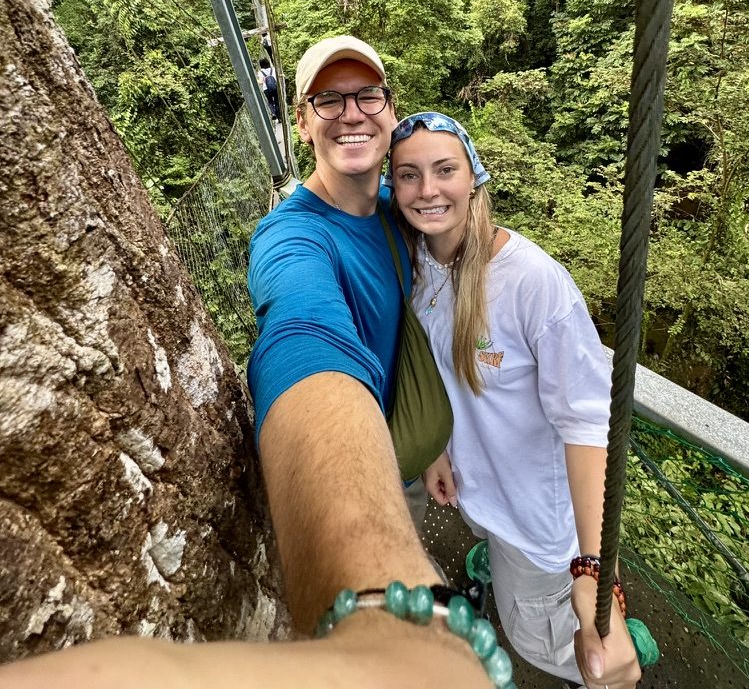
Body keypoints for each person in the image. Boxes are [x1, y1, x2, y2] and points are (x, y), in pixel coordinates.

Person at [0, 40, 490, 688]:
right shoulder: (292, 238)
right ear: (302, 121)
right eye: (328, 99)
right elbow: (303, 334)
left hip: (402, 450)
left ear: (389, 110)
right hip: (363, 470)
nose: (351, 112)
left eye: (367, 95)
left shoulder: (396, 209)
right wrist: (382, 607)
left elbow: (408, 323)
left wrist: (429, 443)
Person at [386, 111, 642, 689]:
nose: (427, 190)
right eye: (409, 175)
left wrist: (594, 569)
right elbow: (442, 377)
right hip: (480, 496)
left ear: (474, 178)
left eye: (444, 170)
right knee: (502, 571)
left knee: (541, 640)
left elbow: (587, 427)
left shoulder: (534, 284)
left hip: (538, 528)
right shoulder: (420, 263)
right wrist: (435, 452)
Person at [259, 55, 280, 121]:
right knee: (276, 101)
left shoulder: (260, 72)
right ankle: (279, 117)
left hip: (266, 89)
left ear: (261, 65)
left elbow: (260, 82)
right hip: (274, 87)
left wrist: (255, 80)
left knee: (270, 102)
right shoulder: (273, 69)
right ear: (268, 63)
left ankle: (273, 113)